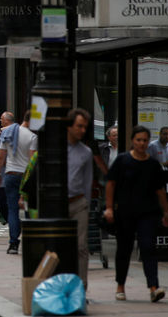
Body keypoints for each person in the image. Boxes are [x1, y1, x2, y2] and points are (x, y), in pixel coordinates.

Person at [104, 125, 168, 303]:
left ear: (148, 142)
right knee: (124, 249)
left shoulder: (153, 165)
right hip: (125, 212)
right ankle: (120, 286)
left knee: (148, 247)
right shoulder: (122, 161)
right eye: (138, 140)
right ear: (133, 141)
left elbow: (160, 190)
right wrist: (109, 207)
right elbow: (110, 184)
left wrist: (166, 211)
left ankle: (153, 287)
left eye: (145, 140)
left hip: (148, 213)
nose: (142, 143)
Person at [0, 111, 38, 254]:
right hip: (25, 176)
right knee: (28, 208)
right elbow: (32, 160)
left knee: (12, 209)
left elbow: (0, 156)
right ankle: (31, 241)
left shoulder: (8, 133)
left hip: (11, 174)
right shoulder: (32, 136)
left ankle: (13, 243)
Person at [66, 108, 94, 289]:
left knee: (81, 247)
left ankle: (81, 288)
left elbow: (87, 182)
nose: (82, 130)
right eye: (79, 126)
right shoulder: (55, 148)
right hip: (57, 205)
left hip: (78, 203)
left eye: (85, 127)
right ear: (69, 126)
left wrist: (86, 205)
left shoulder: (86, 152)